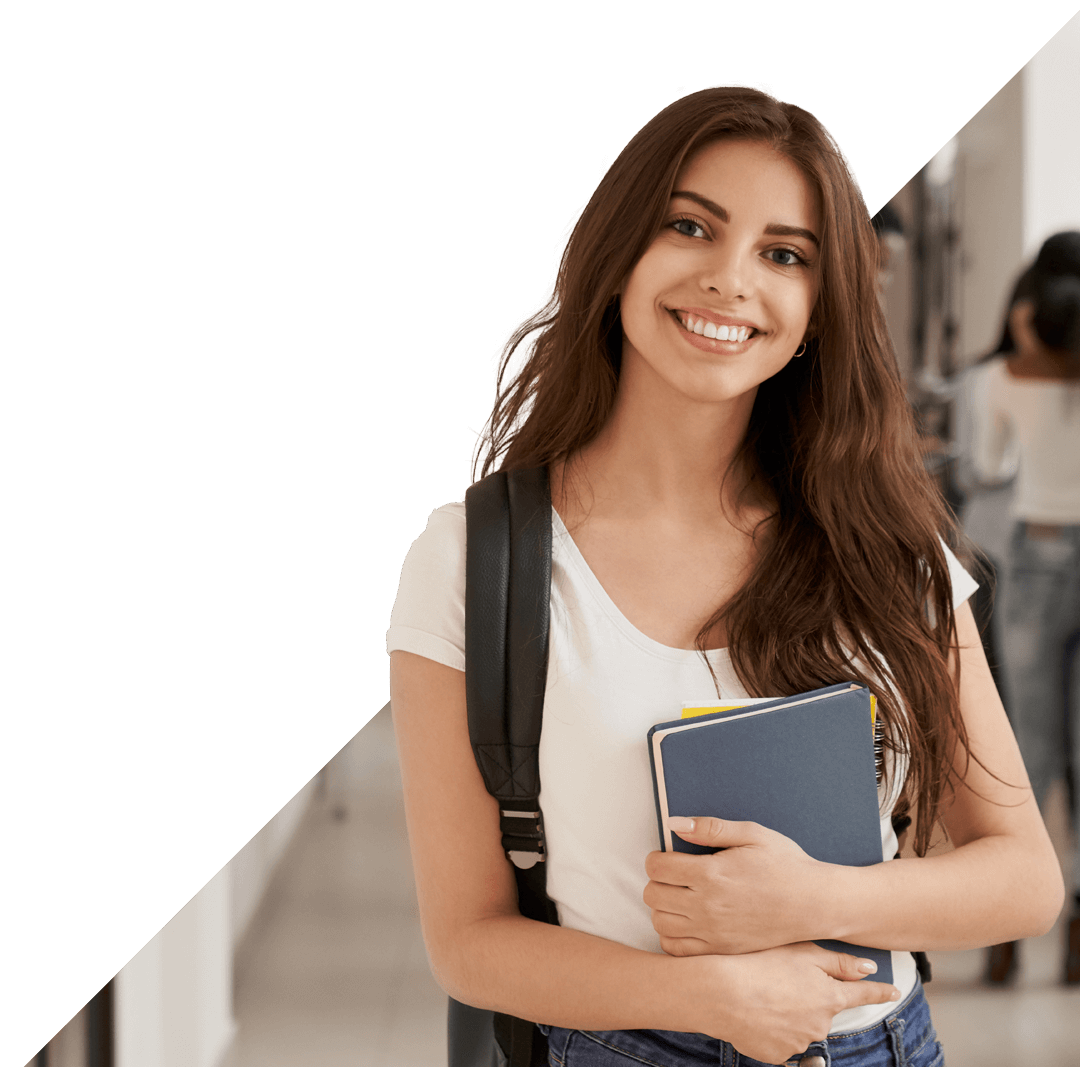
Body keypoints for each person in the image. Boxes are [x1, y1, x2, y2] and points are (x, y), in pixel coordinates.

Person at [387, 85, 1065, 1067]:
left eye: (785, 254)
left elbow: (1024, 879)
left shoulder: (885, 545)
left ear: (820, 311)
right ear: (618, 249)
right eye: (691, 227)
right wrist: (708, 996)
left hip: (875, 1048)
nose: (730, 280)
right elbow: (469, 940)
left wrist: (816, 897)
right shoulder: (472, 562)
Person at [961, 231, 1080, 986]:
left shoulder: (1004, 378)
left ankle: (1009, 934)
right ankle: (1076, 940)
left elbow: (987, 467)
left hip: (1035, 562)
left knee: (1027, 748)